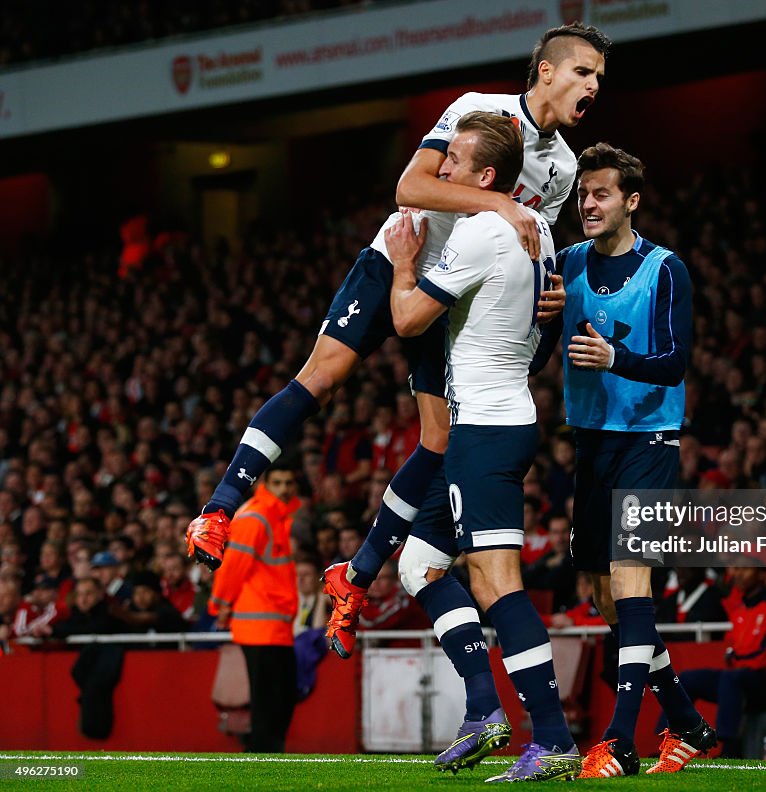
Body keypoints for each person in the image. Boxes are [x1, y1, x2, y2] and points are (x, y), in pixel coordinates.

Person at [184, 23, 609, 657]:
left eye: (600, 77)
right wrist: (496, 206)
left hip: (450, 294)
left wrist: (550, 293)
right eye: (584, 72)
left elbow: (530, 244)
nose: (593, 86)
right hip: (397, 256)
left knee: (437, 438)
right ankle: (219, 509)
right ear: (547, 72)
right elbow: (410, 186)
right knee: (323, 377)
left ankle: (354, 578)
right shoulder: (475, 110)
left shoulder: (564, 168)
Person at [385, 111, 579, 782]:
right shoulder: (539, 228)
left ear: (487, 176)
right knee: (420, 567)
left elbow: (408, 318)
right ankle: (483, 712)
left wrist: (404, 266)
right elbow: (546, 319)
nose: (443, 170)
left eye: (455, 162)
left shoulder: (480, 232)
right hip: (498, 418)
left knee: (498, 586)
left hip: (486, 429)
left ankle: (552, 739)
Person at [528, 143, 714, 778]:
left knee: (631, 586)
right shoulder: (570, 264)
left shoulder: (665, 270)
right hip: (590, 442)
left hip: (648, 441)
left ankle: (619, 739)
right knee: (607, 599)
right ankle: (687, 723)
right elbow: (543, 345)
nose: (588, 204)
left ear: (631, 201)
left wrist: (616, 360)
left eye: (601, 193)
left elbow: (674, 363)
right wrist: (539, 323)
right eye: (583, 194)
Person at [207, 460, 300, 753]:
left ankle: (266, 752)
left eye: (288, 483)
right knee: (270, 700)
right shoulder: (256, 518)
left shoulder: (273, 517)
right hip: (259, 624)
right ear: (264, 485)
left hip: (274, 625)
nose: (284, 490)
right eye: (277, 483)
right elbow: (232, 567)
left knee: (279, 698)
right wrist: (219, 605)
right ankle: (263, 756)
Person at [679, 556, 766, 759]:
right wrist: (735, 659)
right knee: (687, 679)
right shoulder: (739, 609)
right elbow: (733, 654)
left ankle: (730, 749)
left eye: (744, 568)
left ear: (762, 573)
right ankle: (675, 741)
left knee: (732, 678)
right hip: (746, 681)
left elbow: (762, 657)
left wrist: (736, 659)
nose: (737, 573)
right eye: (735, 568)